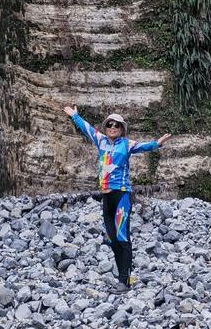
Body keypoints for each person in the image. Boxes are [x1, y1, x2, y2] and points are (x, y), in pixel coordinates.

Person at [63, 104, 171, 293]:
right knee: (112, 239)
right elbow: (87, 128)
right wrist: (75, 117)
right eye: (110, 125)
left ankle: (124, 281)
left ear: (122, 129)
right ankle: (123, 276)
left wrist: (158, 143)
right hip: (106, 198)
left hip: (122, 195)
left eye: (117, 125)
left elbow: (144, 147)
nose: (113, 127)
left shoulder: (126, 144)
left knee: (122, 237)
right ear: (106, 127)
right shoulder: (101, 141)